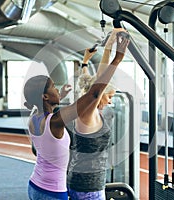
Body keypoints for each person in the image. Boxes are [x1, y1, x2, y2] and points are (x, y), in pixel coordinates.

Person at [24, 29, 129, 200]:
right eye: (53, 88)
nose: (58, 88)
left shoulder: (34, 116)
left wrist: (87, 61)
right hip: (55, 192)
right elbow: (94, 92)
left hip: (35, 185)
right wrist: (117, 59)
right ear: (44, 97)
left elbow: (90, 87)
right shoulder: (57, 121)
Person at [67, 28, 129, 200]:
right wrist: (115, 56)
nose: (110, 102)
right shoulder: (88, 112)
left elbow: (88, 83)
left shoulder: (84, 105)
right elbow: (98, 83)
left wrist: (85, 62)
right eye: (109, 96)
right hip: (88, 188)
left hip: (83, 183)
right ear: (100, 93)